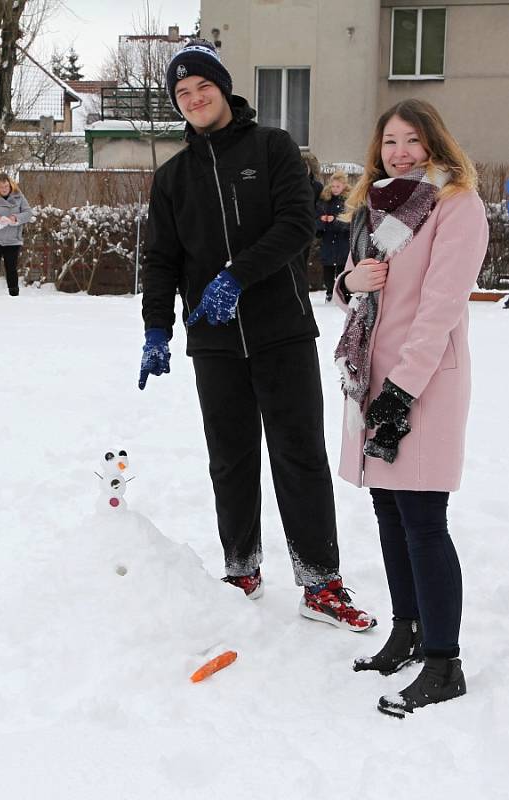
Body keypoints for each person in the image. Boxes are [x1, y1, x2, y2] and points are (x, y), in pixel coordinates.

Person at [139, 39, 375, 632]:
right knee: (230, 456)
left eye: (203, 88)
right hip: (214, 341)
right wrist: (156, 329)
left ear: (223, 88)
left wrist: (236, 276)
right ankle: (241, 567)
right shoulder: (172, 178)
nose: (194, 100)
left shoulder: (272, 149)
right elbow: (161, 258)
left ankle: (320, 583)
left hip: (281, 332)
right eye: (183, 94)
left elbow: (297, 225)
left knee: (299, 455)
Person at [332, 99, 489, 716]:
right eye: (390, 141)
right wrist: (349, 284)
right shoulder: (374, 205)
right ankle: (409, 630)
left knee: (423, 519)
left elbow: (443, 304)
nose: (400, 152)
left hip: (424, 381)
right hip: (371, 376)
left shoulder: (457, 205)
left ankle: (444, 661)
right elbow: (353, 281)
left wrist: (403, 389)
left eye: (412, 141)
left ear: (435, 145)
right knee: (389, 511)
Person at [316, 170, 350, 302]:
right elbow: (316, 220)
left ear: (344, 186)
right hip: (328, 241)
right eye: (333, 186)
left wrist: (334, 220)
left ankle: (342, 293)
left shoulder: (348, 201)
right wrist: (321, 221)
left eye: (338, 186)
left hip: (343, 242)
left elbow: (350, 222)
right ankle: (330, 292)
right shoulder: (324, 201)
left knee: (342, 269)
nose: (335, 189)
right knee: (328, 269)